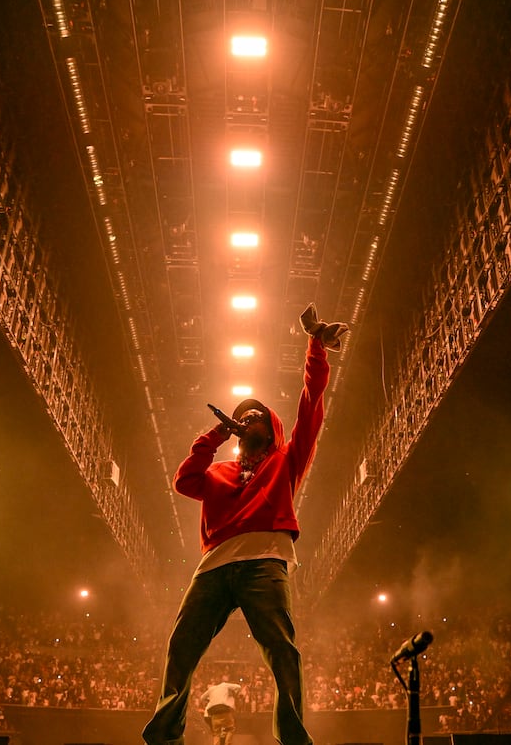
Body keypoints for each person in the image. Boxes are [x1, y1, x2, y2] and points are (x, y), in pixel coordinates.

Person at [142, 304, 348, 745]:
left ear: (270, 426)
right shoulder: (218, 473)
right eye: (244, 415)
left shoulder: (287, 460)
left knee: (282, 650)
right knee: (182, 648)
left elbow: (311, 405)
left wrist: (316, 348)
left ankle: (292, 736)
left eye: (258, 413)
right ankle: (164, 735)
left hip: (265, 562)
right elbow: (184, 481)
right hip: (214, 566)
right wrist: (213, 437)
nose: (249, 416)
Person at [200, 680, 243, 745]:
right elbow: (238, 687)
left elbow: (202, 697)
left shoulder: (211, 689)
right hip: (224, 711)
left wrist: (210, 699)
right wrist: (235, 692)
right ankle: (227, 743)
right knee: (230, 729)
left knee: (216, 734)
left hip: (214, 714)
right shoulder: (224, 685)